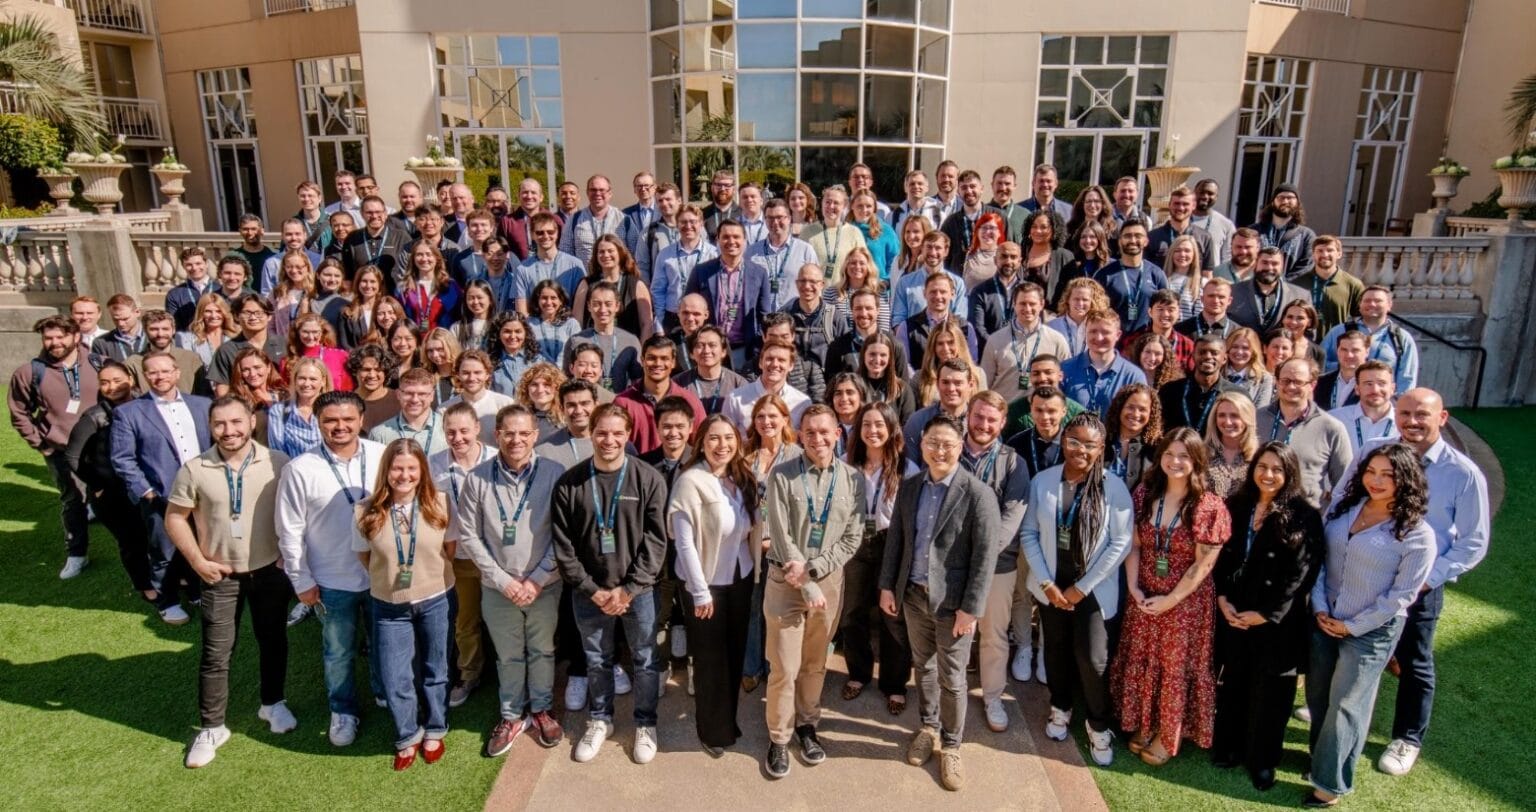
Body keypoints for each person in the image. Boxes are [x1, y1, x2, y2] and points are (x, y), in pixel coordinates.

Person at [1354, 389, 1490, 779]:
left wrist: (1426, 580)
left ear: (1442, 418)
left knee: (1414, 661)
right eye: (1405, 414)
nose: (1412, 422)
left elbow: (1473, 542)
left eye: (1421, 415)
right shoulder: (1377, 450)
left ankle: (1407, 738)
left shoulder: (1462, 473)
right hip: (1365, 575)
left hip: (1420, 589)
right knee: (1356, 648)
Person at [166, 396, 296, 768]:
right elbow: (175, 518)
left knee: (273, 640)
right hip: (219, 575)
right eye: (220, 424)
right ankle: (212, 726)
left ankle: (273, 704)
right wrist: (197, 561)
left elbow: (293, 512)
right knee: (215, 652)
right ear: (210, 427)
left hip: (269, 571)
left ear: (252, 422)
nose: (229, 431)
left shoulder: (277, 462)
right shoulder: (195, 468)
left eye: (236, 422)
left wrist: (288, 554)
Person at [1305, 443, 1435, 808]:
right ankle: (1319, 758)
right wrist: (1318, 610)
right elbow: (1321, 562)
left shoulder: (1416, 534)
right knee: (1318, 695)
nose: (1376, 481)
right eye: (1370, 472)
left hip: (1371, 632)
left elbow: (1400, 597)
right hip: (1323, 618)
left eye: (1387, 475)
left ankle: (1330, 783)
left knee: (1346, 703)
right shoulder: (1344, 509)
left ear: (1406, 480)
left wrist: (1351, 627)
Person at [876, 413, 1000, 791]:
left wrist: (972, 608)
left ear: (960, 447)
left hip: (954, 606)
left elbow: (985, 556)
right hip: (913, 596)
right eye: (933, 443)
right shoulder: (911, 487)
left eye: (947, 444)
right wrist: (887, 586)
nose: (939, 450)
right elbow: (896, 539)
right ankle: (927, 727)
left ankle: (951, 743)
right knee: (923, 668)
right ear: (923, 445)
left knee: (953, 678)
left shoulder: (977, 494)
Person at [552, 404, 669, 765]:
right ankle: (600, 719)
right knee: (596, 660)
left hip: (638, 592)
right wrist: (593, 589)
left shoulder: (647, 478)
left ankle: (645, 724)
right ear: (591, 433)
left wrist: (629, 589)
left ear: (629, 434)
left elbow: (656, 540)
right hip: (590, 593)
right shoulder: (570, 482)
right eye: (602, 432)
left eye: (617, 433)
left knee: (646, 659)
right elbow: (564, 547)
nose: (609, 440)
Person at [1111, 427, 1231, 766]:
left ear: (1196, 461)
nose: (1175, 461)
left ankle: (1167, 734)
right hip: (1144, 595)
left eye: (1183, 456)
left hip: (1185, 604)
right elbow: (1134, 544)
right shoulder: (1145, 493)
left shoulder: (1208, 506)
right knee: (1144, 658)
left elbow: (1203, 565)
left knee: (1174, 668)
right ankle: (1145, 725)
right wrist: (1133, 587)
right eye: (1169, 454)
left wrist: (1171, 601)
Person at [1019, 412, 1134, 767]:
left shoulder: (1114, 487)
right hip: (1052, 586)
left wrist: (1081, 589)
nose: (1079, 450)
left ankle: (1099, 725)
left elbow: (1121, 543)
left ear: (1101, 449)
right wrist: (1047, 583)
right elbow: (1029, 534)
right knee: (1055, 651)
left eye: (1089, 444)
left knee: (1093, 658)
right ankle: (1060, 708)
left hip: (1093, 590)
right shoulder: (1043, 481)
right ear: (1063, 441)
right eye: (1073, 441)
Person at [276, 390, 387, 747]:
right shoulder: (300, 469)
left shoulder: (382, 455)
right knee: (338, 652)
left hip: (381, 574)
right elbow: (289, 530)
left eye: (347, 419)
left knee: (383, 641)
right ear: (319, 423)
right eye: (330, 421)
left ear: (361, 420)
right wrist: (301, 580)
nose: (340, 427)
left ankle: (383, 691)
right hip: (331, 579)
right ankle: (343, 710)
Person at [1211, 442, 1324, 791]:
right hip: (1235, 613)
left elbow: (1303, 572)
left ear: (1289, 473)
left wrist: (1264, 614)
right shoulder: (1237, 504)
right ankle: (1229, 746)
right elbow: (1221, 557)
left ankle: (1262, 761)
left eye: (1277, 469)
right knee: (1235, 684)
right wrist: (1223, 599)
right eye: (1263, 466)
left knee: (1272, 695)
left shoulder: (1304, 514)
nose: (1268, 474)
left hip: (1278, 623)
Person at [761, 405, 865, 779]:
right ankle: (778, 736)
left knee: (815, 663)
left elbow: (853, 536)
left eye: (824, 432)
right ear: (799, 435)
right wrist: (802, 578)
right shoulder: (782, 476)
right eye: (809, 433)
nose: (818, 439)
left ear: (838, 433)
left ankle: (807, 726)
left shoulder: (853, 479)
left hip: (828, 584)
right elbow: (782, 532)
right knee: (785, 668)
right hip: (786, 583)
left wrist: (816, 570)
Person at [459, 404, 568, 754]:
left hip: (544, 585)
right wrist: (503, 581)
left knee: (543, 650)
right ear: (497, 435)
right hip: (498, 587)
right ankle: (511, 714)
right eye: (509, 433)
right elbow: (469, 536)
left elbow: (563, 534)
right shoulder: (476, 478)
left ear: (535, 436)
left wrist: (536, 579)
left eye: (524, 433)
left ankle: (540, 710)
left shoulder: (554, 473)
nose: (516, 439)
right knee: (508, 655)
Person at [351, 438, 455, 770]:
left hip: (436, 598)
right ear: (386, 470)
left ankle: (436, 727)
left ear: (422, 470)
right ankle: (407, 734)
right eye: (397, 468)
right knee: (396, 676)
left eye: (412, 468)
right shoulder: (365, 510)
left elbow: (448, 552)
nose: (404, 475)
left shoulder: (439, 503)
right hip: (388, 607)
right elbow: (365, 557)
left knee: (435, 667)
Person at [667, 415, 760, 755]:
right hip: (706, 585)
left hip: (740, 578)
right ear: (701, 443)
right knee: (710, 662)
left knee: (733, 656)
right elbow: (684, 542)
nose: (722, 445)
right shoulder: (691, 481)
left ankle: (728, 719)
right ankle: (711, 730)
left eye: (728, 438)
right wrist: (700, 591)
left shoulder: (742, 477)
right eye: (713, 439)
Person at [110, 351, 211, 624]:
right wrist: (148, 492)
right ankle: (166, 600)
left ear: (177, 373)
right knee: (164, 550)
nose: (160, 377)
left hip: (203, 493)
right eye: (153, 372)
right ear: (145, 376)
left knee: (200, 543)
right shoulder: (128, 412)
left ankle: (195, 590)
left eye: (166, 371)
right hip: (161, 496)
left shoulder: (202, 405)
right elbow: (122, 459)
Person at [957, 392, 1029, 734]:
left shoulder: (1014, 463)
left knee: (993, 635)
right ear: (968, 416)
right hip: (952, 565)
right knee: (954, 634)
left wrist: (979, 558)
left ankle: (993, 696)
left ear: (1002, 423)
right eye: (978, 416)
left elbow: (1010, 519)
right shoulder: (949, 452)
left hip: (997, 566)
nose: (983, 425)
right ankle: (950, 696)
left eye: (991, 420)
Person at [9, 315, 99, 578]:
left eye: (61, 337)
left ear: (76, 336)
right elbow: (19, 413)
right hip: (60, 449)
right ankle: (77, 554)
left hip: (99, 446)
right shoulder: (29, 373)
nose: (55, 343)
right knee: (73, 500)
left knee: (113, 498)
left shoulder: (97, 362)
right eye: (49, 338)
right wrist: (41, 444)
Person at [840, 402, 915, 715]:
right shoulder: (846, 463)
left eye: (879, 425)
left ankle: (894, 684)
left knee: (892, 615)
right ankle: (858, 673)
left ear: (891, 429)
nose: (872, 431)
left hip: (890, 544)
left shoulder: (906, 469)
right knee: (852, 612)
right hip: (854, 544)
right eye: (866, 425)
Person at [63, 361, 148, 594]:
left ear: (131, 379)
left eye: (118, 380)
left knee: (154, 535)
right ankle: (144, 585)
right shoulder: (93, 417)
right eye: (105, 382)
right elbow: (72, 456)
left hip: (145, 486)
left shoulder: (147, 405)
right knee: (132, 542)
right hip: (113, 494)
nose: (112, 387)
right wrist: (99, 484)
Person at [742, 393, 803, 694]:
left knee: (779, 610)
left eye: (772, 416)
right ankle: (751, 667)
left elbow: (802, 506)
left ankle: (775, 667)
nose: (766, 422)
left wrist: (776, 539)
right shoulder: (746, 455)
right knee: (753, 607)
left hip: (783, 545)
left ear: (784, 419)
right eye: (760, 417)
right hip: (750, 544)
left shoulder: (796, 456)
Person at [1256, 358, 1351, 507]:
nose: (1291, 386)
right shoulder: (1255, 420)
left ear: (1312, 385)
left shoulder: (1331, 428)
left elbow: (1344, 484)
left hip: (1304, 520)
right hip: (1257, 514)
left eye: (1298, 382)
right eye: (1285, 381)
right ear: (1277, 382)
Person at [686, 221, 769, 367]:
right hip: (710, 350)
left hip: (745, 350)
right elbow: (690, 310)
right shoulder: (701, 272)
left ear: (745, 240)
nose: (731, 241)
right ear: (717, 240)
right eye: (725, 237)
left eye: (736, 237)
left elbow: (764, 315)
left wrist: (759, 348)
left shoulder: (759, 273)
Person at [980, 282, 1071, 403]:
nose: (1027, 309)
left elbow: (1066, 381)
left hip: (1043, 411)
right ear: (1014, 304)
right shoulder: (996, 340)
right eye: (1022, 303)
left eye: (1032, 304)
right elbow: (984, 383)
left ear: (1042, 304)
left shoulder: (1056, 340)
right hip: (1005, 412)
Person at [614, 335, 707, 454]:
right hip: (637, 470)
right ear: (642, 361)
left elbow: (701, 445)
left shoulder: (690, 401)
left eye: (664, 358)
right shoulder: (623, 403)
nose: (658, 363)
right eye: (651, 358)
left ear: (673, 362)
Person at [1320, 286, 1419, 395]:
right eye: (1367, 301)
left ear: (1389, 305)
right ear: (1360, 305)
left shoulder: (1401, 338)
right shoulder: (1339, 331)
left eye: (1378, 301)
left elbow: (1407, 377)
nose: (1372, 304)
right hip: (1340, 398)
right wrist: (1347, 365)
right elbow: (1319, 363)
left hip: (1380, 401)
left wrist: (1397, 403)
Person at [1061, 309, 1147, 416]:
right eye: (1093, 331)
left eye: (1105, 332)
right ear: (1085, 332)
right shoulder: (1066, 369)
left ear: (1118, 335)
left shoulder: (1133, 376)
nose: (1099, 337)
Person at [562, 283, 642, 393]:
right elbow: (567, 378)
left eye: (608, 304)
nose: (603, 309)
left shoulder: (631, 341)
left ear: (617, 306)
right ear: (589, 306)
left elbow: (638, 380)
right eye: (596, 304)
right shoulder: (576, 341)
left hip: (620, 404)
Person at [572, 235, 655, 341]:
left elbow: (647, 324)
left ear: (620, 253)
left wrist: (641, 353)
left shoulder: (636, 285)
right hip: (593, 349)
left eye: (610, 251)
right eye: (601, 252)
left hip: (628, 349)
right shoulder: (586, 285)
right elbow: (577, 322)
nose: (606, 255)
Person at [745, 198, 817, 315]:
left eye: (780, 217)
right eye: (770, 218)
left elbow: (816, 286)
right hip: (762, 320)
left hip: (795, 319)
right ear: (765, 220)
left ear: (789, 219)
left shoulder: (805, 250)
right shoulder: (751, 252)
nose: (775, 222)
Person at [653, 206, 719, 330]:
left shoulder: (714, 254)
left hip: (703, 318)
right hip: (673, 318)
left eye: (693, 222)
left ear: (701, 224)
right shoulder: (665, 255)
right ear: (677, 225)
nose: (688, 226)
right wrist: (662, 320)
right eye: (683, 222)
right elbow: (658, 290)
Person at [722, 338, 811, 432]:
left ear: (791, 366)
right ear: (760, 363)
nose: (775, 364)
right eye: (769, 359)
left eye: (781, 360)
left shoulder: (802, 402)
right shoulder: (735, 399)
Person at [1093, 221, 1166, 333]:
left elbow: (1165, 308)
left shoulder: (1156, 273)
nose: (1132, 240)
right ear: (1119, 241)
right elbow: (1096, 312)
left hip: (1147, 342)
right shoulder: (1104, 275)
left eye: (1138, 236)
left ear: (1146, 241)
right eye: (1127, 236)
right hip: (1114, 342)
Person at [1159, 335, 1241, 434]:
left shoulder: (1237, 394)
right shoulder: (1170, 391)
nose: (1208, 356)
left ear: (1224, 358)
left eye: (1214, 353)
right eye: (1202, 352)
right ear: (1193, 355)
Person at [903, 358, 977, 465]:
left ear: (970, 385)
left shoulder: (981, 423)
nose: (951, 388)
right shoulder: (917, 422)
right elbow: (910, 470)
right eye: (945, 382)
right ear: (937, 384)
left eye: (958, 383)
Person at [514, 212, 586, 314]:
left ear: (557, 233)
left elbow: (580, 306)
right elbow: (522, 311)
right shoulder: (523, 269)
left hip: (568, 326)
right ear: (532, 235)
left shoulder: (575, 265)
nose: (546, 236)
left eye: (550, 232)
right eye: (540, 232)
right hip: (534, 326)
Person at [891, 231, 967, 327]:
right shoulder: (905, 283)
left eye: (938, 248)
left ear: (946, 251)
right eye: (929, 247)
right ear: (922, 249)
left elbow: (960, 319)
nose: (933, 252)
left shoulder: (958, 283)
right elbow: (898, 319)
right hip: (914, 339)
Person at [1229, 247, 1307, 335]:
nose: (1269, 268)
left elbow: (1308, 332)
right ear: (1255, 263)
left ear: (1282, 266)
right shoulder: (1233, 291)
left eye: (1275, 264)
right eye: (1264, 263)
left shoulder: (1300, 295)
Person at [800, 186, 868, 287]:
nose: (831, 206)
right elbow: (799, 267)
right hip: (815, 296)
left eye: (836, 203)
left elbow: (864, 266)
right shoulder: (807, 232)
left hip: (844, 295)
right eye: (827, 202)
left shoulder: (854, 233)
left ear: (844, 206)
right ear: (822, 204)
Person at [673, 325, 747, 416]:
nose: (706, 351)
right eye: (700, 346)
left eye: (712, 345)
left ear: (723, 352)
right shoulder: (678, 383)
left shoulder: (739, 384)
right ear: (691, 353)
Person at [1296, 236, 1363, 336]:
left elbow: (1360, 320)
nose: (1325, 254)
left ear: (1339, 254)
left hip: (1338, 345)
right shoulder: (1298, 283)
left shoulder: (1353, 284)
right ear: (1313, 254)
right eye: (1320, 250)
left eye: (1330, 250)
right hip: (1305, 344)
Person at [1329, 360, 1398, 455]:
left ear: (1392, 389)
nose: (1375, 390)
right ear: (1357, 389)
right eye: (1368, 384)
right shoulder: (1334, 419)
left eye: (1381, 383)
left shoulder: (1403, 423)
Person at [266, 356, 331, 458]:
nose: (306, 384)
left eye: (313, 379)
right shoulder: (279, 411)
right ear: (294, 380)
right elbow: (277, 452)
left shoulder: (333, 410)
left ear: (323, 381)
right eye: (302, 378)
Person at [1249, 183, 1316, 279]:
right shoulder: (1253, 231)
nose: (1285, 201)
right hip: (1254, 288)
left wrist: (1283, 286)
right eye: (1281, 197)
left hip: (1290, 291)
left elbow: (1306, 266)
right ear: (1272, 202)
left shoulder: (1307, 236)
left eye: (1290, 198)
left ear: (1297, 203)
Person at [1145, 185, 1217, 274]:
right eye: (1177, 203)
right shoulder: (1153, 237)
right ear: (1169, 205)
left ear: (1193, 206)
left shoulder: (1204, 237)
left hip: (1192, 286)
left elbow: (1207, 274)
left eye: (1185, 204)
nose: (1181, 208)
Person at [1120, 289, 1195, 374]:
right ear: (1150, 312)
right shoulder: (1133, 341)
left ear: (1178, 313)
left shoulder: (1187, 345)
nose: (1165, 314)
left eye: (1171, 310)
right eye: (1160, 309)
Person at [558, 175, 626, 266]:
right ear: (587, 193)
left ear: (610, 193)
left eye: (602, 190)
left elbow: (633, 253)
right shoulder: (574, 220)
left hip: (616, 278)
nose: (597, 193)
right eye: (593, 190)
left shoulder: (624, 220)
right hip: (584, 278)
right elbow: (565, 253)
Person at [1103, 383, 1161, 487]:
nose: (1135, 414)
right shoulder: (1102, 441)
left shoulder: (1156, 449)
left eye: (1142, 409)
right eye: (1130, 407)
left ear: (1151, 414)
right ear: (1120, 408)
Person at [340, 196, 410, 282]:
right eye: (369, 212)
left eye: (378, 212)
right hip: (365, 292)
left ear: (385, 213)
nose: (374, 216)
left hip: (394, 293)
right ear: (362, 214)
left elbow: (410, 268)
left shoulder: (401, 237)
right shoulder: (352, 238)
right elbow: (348, 273)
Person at [1204, 391, 1259, 498]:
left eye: (1235, 416)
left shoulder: (1259, 457)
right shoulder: (1201, 453)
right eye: (1222, 415)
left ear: (1247, 418)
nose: (1228, 422)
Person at [857, 332, 917, 424]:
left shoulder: (902, 389)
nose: (877, 360)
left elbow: (908, 424)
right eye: (872, 354)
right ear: (864, 355)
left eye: (883, 355)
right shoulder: (854, 386)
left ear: (890, 358)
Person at [1020, 210, 1075, 301]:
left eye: (1043, 227)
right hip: (1020, 310)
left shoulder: (1064, 256)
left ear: (1054, 230)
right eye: (1034, 226)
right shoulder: (1019, 252)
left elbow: (1071, 289)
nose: (1038, 231)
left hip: (1051, 313)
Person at [166, 247, 220, 332]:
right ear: (183, 267)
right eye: (189, 265)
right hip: (189, 339)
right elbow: (174, 325)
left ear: (206, 264)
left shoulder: (220, 289)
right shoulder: (174, 294)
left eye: (198, 263)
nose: (194, 268)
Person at [527, 279, 580, 365]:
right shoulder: (528, 324)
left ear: (561, 300)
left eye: (553, 298)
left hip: (564, 375)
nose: (548, 302)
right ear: (537, 300)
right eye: (544, 298)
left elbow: (575, 353)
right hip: (537, 374)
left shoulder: (572, 324)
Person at [1057, 222, 1112, 306]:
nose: (1087, 241)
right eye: (1083, 237)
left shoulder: (1111, 265)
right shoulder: (1071, 267)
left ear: (1100, 239)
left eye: (1092, 237)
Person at [850, 189, 899, 280]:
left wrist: (886, 281)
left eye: (868, 206)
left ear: (874, 208)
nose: (864, 210)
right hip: (851, 287)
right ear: (852, 206)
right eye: (860, 206)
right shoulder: (845, 231)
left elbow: (896, 260)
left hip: (878, 287)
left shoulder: (886, 231)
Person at [489, 311, 540, 397]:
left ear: (525, 333)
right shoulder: (489, 361)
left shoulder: (538, 359)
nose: (512, 336)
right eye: (507, 331)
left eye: (518, 331)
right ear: (498, 334)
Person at [1223, 327, 1274, 408]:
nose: (1239, 352)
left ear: (1253, 352)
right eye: (1235, 347)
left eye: (1245, 348)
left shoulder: (1264, 379)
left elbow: (1260, 411)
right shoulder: (1217, 373)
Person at [1190, 179, 1237, 264]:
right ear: (1194, 194)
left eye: (1210, 193)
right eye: (1201, 192)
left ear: (1216, 197)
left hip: (1211, 275)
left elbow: (1227, 259)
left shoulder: (1226, 224)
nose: (1205, 196)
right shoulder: (1181, 220)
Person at [92, 293, 148, 363]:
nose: (120, 324)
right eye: (115, 320)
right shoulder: (102, 343)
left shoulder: (152, 336)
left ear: (137, 312)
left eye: (125, 319)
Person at [959, 211, 1005, 292]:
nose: (987, 232)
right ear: (977, 231)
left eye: (992, 228)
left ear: (999, 233)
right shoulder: (968, 255)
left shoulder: (1005, 256)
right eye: (984, 228)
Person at [985, 165, 1029, 244]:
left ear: (1014, 186)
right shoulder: (981, 212)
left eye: (1007, 184)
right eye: (999, 183)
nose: (1003, 188)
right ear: (992, 185)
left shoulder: (1025, 215)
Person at [701, 170, 741, 240]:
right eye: (718, 185)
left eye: (727, 185)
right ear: (712, 188)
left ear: (734, 189)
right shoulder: (702, 214)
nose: (722, 189)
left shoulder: (742, 214)